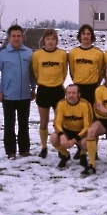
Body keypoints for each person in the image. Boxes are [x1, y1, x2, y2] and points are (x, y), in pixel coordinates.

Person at [0, 24, 36, 160]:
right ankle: (10, 151)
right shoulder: (3, 53)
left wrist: (33, 88)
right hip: (8, 96)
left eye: (19, 36)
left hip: (25, 95)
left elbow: (33, 72)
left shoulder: (29, 53)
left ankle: (24, 150)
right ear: (9, 37)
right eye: (13, 36)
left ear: (22, 37)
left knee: (24, 124)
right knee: (9, 124)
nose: (16, 38)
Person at [31, 29, 67, 158]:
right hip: (43, 90)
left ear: (56, 40)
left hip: (57, 90)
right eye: (48, 39)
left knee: (59, 121)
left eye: (53, 39)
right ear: (44, 40)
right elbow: (35, 72)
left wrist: (57, 83)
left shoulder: (62, 54)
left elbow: (64, 72)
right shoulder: (37, 55)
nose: (50, 41)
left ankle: (59, 146)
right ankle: (44, 147)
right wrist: (43, 82)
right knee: (44, 120)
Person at [50, 84, 93, 170]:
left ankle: (82, 154)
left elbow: (87, 126)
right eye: (69, 93)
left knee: (88, 143)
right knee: (53, 138)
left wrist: (74, 140)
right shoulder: (61, 104)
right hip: (67, 130)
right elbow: (56, 122)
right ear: (66, 94)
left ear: (79, 94)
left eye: (74, 93)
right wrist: (62, 135)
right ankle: (65, 155)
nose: (71, 95)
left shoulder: (85, 104)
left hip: (81, 132)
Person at [68, 24, 104, 106]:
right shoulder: (73, 53)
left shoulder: (98, 53)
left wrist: (97, 83)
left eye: (88, 34)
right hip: (78, 87)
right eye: (83, 34)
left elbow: (101, 70)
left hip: (92, 87)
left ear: (92, 36)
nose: (86, 36)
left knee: (91, 114)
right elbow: (71, 70)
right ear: (80, 36)